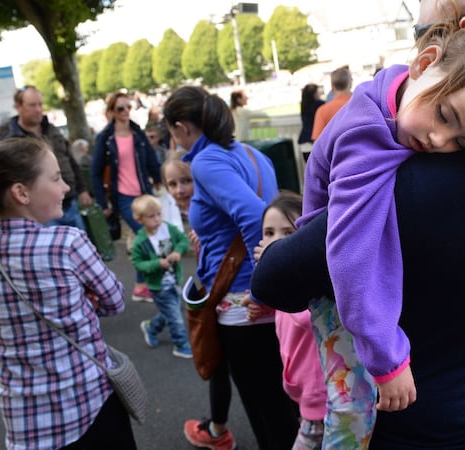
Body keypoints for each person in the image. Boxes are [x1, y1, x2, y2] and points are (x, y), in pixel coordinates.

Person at [252, 0, 465, 448]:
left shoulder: (406, 184)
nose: (438, 142)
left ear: (463, 29)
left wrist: (274, 247)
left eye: (425, 20)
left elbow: (274, 279)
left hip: (418, 427)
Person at [0, 137, 135, 450]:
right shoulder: (68, 243)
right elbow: (115, 301)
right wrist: (83, 302)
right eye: (56, 178)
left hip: (25, 420)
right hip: (87, 404)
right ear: (21, 193)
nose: (64, 187)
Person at [164, 85, 299, 450]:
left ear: (181, 126)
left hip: (244, 303)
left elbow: (257, 219)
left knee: (266, 410)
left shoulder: (206, 161)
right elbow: (274, 216)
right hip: (263, 299)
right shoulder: (253, 154)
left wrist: (260, 289)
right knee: (284, 404)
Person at [247, 191, 326, 450]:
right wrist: (266, 306)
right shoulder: (284, 287)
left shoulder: (310, 284)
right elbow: (285, 310)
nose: (275, 242)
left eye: (288, 234)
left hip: (320, 396)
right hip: (302, 392)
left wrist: (270, 277)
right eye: (268, 233)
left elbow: (304, 317)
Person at [90, 91, 162, 302]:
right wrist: (103, 202)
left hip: (143, 192)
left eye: (128, 107)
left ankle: (142, 285)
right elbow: (95, 172)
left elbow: (151, 160)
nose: (125, 112)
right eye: (121, 108)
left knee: (147, 236)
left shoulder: (137, 133)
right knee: (146, 234)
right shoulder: (105, 138)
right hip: (122, 196)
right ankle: (146, 284)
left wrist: (160, 179)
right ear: (112, 112)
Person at [0, 85, 92, 231]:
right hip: (41, 211)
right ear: (18, 107)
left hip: (69, 202)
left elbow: (70, 160)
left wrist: (82, 189)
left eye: (40, 104)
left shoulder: (52, 129)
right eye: (32, 105)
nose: (38, 109)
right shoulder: (11, 140)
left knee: (79, 247)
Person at [130, 194, 193, 359]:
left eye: (159, 214)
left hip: (174, 280)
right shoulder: (140, 241)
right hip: (159, 287)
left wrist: (178, 251)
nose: (157, 219)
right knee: (175, 317)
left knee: (171, 311)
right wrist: (157, 264)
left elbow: (183, 240)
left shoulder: (167, 228)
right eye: (152, 216)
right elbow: (137, 264)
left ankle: (151, 327)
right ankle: (181, 344)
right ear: (139, 219)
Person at [310, 66, 352, 141]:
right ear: (350, 84)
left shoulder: (322, 111)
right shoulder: (361, 106)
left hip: (333, 152)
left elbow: (317, 142)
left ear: (332, 87)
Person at [298, 83, 325, 157]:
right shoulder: (319, 105)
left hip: (304, 142)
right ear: (314, 94)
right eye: (318, 92)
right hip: (314, 141)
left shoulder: (304, 105)